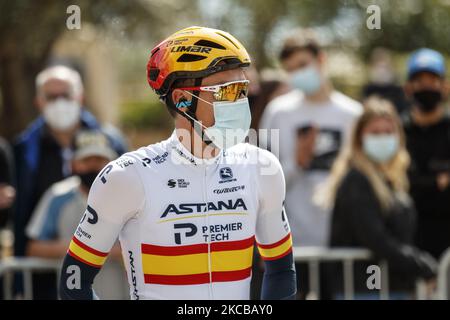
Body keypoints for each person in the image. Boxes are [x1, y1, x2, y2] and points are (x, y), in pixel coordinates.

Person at [59, 26, 296, 300]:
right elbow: (74, 282)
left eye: (243, 89)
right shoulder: (127, 176)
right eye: (227, 91)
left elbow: (281, 270)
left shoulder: (261, 167)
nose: (241, 101)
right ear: (182, 100)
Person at [259, 29, 362, 299]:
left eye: (303, 65)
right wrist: (297, 162)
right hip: (292, 242)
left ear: (321, 59)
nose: (298, 74)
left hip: (342, 243)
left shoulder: (352, 114)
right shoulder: (278, 112)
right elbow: (262, 180)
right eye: (290, 69)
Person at [13, 65, 127, 299]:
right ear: (39, 101)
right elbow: (24, 226)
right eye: (51, 96)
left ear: (80, 96)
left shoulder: (113, 140)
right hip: (47, 282)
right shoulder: (24, 148)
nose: (59, 102)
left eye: (65, 95)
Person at [318, 98, 437, 299]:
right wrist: (422, 265)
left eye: (388, 132)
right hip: (364, 289)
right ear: (359, 138)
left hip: (390, 288)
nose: (382, 138)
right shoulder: (357, 179)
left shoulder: (392, 180)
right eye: (375, 133)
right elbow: (375, 238)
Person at [25, 130, 129, 299]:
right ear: (73, 163)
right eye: (86, 160)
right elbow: (33, 248)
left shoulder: (128, 195)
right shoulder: (58, 196)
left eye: (100, 159)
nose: (94, 165)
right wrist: (87, 249)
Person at [402, 48, 450, 260]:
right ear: (408, 88)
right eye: (419, 81)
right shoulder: (397, 131)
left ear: (445, 87)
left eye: (433, 80)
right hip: (408, 246)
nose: (426, 86)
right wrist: (435, 182)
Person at [362, 47, 409, 114]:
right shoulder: (368, 89)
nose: (381, 70)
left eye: (385, 66)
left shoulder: (397, 90)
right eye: (378, 65)